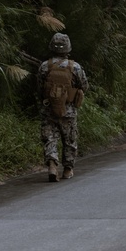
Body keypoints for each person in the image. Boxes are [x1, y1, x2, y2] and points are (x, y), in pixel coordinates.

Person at [38, 33, 88, 182]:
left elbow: (40, 89)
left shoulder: (44, 66)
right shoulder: (75, 67)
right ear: (68, 48)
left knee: (50, 137)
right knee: (69, 139)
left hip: (49, 108)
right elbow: (84, 85)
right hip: (68, 109)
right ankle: (68, 169)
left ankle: (52, 164)